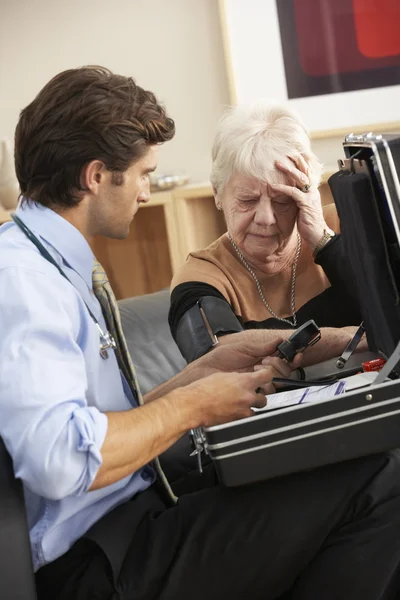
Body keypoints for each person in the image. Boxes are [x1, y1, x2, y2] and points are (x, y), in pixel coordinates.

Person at [1, 66, 400, 600]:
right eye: (145, 173)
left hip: (129, 527)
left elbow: (89, 428)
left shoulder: (48, 267)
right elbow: (62, 462)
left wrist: (193, 381)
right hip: (102, 565)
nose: (147, 191)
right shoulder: (24, 282)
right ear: (97, 176)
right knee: (382, 476)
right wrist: (193, 407)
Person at [169, 101, 367, 365]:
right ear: (217, 193)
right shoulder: (203, 273)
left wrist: (323, 241)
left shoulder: (343, 224)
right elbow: (217, 357)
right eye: (248, 200)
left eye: (282, 201)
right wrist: (349, 338)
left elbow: (391, 313)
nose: (265, 218)